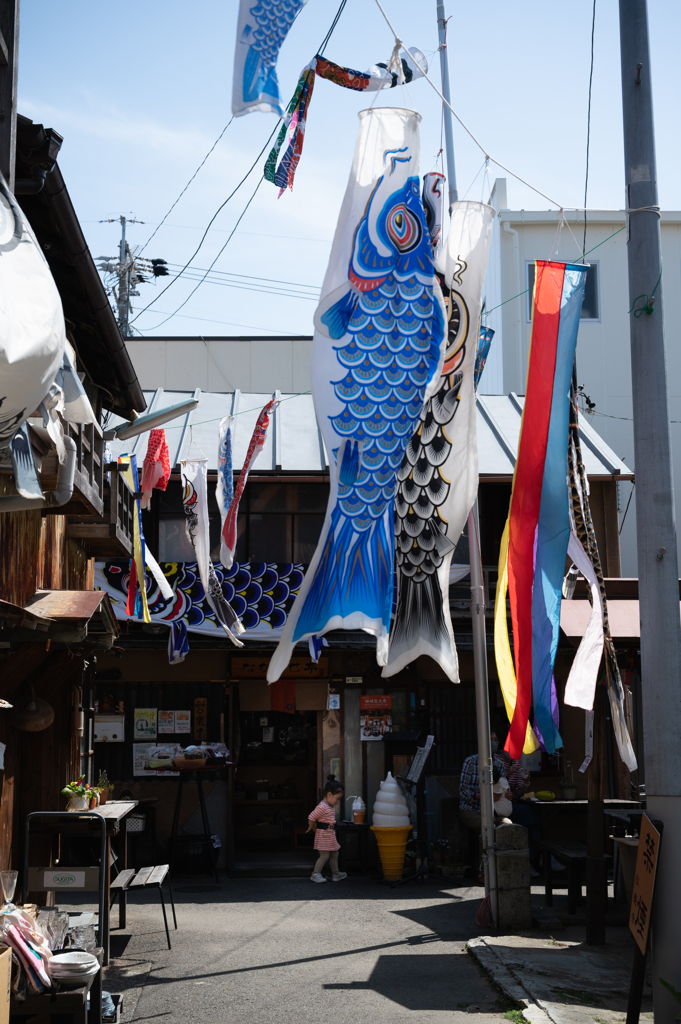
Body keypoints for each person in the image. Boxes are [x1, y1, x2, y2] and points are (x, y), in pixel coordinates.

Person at [459, 732, 510, 832]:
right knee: (490, 828)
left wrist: (507, 795)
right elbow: (463, 792)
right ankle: (486, 848)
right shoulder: (470, 762)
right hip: (471, 810)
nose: (494, 743)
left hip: (494, 811)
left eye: (496, 740)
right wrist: (484, 796)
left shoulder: (499, 765)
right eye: (491, 740)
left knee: (507, 826)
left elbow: (503, 788)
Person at [306, 777, 348, 884]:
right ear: (329, 795)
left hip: (330, 834)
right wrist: (311, 827)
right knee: (324, 856)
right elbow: (311, 817)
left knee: (334, 853)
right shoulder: (322, 806)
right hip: (323, 835)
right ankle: (315, 874)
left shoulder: (328, 806)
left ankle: (336, 873)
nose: (338, 801)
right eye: (337, 798)